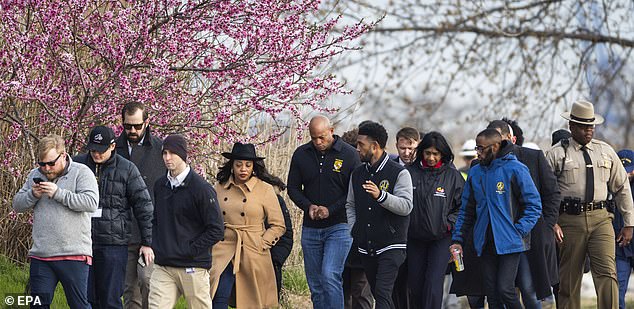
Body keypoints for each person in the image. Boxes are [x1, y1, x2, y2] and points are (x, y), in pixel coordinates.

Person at [546, 99, 634, 309]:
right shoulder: (556, 154)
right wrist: (552, 222)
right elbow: (544, 193)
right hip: (568, 221)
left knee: (607, 273)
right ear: (571, 126)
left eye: (591, 125)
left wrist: (629, 223)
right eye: (584, 126)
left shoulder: (606, 151)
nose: (588, 130)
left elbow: (622, 187)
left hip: (601, 218)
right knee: (569, 278)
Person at [451, 128, 542, 309]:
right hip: (484, 242)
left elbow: (534, 205)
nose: (478, 153)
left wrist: (518, 230)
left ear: (495, 146)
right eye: (477, 148)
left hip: (510, 242)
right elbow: (467, 209)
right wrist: (457, 239)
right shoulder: (476, 172)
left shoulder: (516, 169)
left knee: (505, 290)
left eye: (481, 148)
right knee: (491, 294)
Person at [13, 135, 99, 308]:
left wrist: (58, 193)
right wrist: (32, 195)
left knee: (79, 305)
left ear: (63, 155)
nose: (46, 168)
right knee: (37, 305)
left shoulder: (81, 172)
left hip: (74, 254)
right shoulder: (35, 175)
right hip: (41, 255)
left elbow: (91, 203)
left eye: (51, 163)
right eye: (42, 164)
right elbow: (17, 204)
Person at [74, 126, 154, 309]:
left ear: (112, 146)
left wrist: (147, 241)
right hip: (82, 241)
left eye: (101, 150)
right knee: (85, 298)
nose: (96, 154)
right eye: (93, 150)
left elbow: (144, 206)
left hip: (113, 244)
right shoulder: (78, 165)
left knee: (110, 299)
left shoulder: (127, 169)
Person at [287, 115, 360, 309]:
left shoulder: (350, 155)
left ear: (331, 130)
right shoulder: (301, 154)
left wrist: (331, 209)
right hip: (311, 228)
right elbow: (293, 188)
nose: (318, 142)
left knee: (329, 275)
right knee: (316, 283)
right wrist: (307, 206)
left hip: (340, 226)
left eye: (322, 137)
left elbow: (354, 192)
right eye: (313, 138)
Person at [489, 119, 561, 308]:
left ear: (511, 138)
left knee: (529, 291)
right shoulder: (483, 165)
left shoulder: (533, 157)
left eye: (501, 138)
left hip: (530, 236)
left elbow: (552, 193)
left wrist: (546, 227)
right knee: (500, 292)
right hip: (497, 238)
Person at [148, 134, 224, 308]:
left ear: (183, 155)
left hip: (193, 266)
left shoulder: (201, 189)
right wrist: (157, 245)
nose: (167, 158)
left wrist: (190, 250)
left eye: (172, 153)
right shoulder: (160, 185)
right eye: (164, 153)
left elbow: (216, 229)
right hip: (164, 265)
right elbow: (156, 220)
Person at [345, 121, 413, 309]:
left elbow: (406, 206)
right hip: (366, 245)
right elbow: (350, 204)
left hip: (392, 245)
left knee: (382, 294)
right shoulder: (357, 174)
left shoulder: (399, 173)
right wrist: (354, 229)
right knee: (380, 294)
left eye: (361, 145)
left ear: (374, 146)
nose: (357, 149)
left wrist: (381, 196)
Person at [209, 142, 286, 309]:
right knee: (217, 296)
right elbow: (210, 218)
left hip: (253, 250)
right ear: (232, 166)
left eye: (248, 165)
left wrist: (262, 243)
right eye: (238, 164)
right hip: (224, 249)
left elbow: (278, 225)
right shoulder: (219, 187)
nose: (243, 169)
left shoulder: (265, 189)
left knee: (251, 303)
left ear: (253, 167)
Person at [115, 102, 166, 309]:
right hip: (123, 231)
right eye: (128, 126)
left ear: (147, 122)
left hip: (151, 230)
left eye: (137, 126)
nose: (132, 131)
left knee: (148, 281)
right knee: (130, 290)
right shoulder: (113, 149)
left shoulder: (161, 150)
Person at [406, 131, 463, 308]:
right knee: (415, 286)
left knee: (433, 284)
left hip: (441, 239)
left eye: (435, 154)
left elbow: (463, 207)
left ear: (442, 154)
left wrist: (449, 224)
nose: (431, 157)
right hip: (414, 239)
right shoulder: (408, 173)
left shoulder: (453, 176)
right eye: (427, 153)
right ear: (422, 152)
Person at [341, 127, 374, 309]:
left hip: (361, 239)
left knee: (361, 290)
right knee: (343, 289)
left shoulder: (368, 173)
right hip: (339, 236)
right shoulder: (339, 170)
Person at [614, 149, 634, 309]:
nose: (626, 175)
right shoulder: (610, 186)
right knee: (617, 293)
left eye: (629, 170)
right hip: (620, 248)